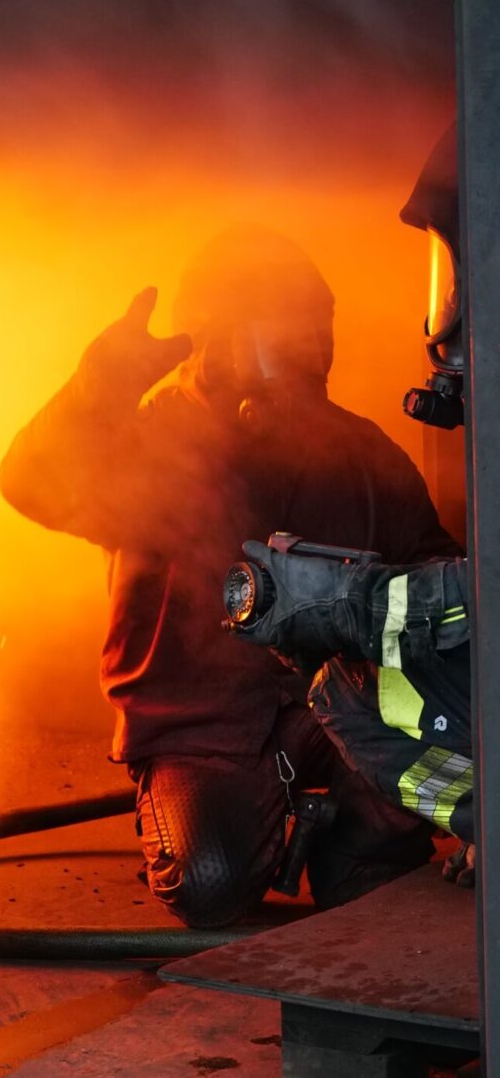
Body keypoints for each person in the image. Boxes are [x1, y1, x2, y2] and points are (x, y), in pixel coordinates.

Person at [0, 223, 458, 927]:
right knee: (208, 878)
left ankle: (343, 837)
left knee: (376, 871)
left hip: (342, 710)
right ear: (216, 334)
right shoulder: (155, 442)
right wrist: (101, 387)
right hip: (205, 727)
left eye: (313, 325)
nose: (306, 346)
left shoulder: (363, 455)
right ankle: (211, 818)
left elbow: (437, 581)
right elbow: (32, 481)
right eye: (283, 324)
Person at [231, 128, 475, 886]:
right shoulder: (184, 445)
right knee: (214, 865)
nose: (450, 316)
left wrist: (356, 605)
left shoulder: (367, 454)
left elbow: (469, 589)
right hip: (228, 735)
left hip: (304, 716)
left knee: (348, 852)